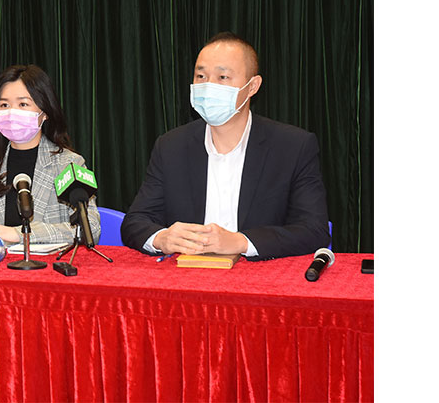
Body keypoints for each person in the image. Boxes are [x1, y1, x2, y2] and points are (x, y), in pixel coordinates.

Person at [121, 32, 330, 260]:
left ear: (252, 86)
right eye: (201, 76)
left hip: (261, 277)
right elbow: (135, 222)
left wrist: (241, 242)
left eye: (222, 77)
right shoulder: (171, 146)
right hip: (187, 275)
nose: (208, 86)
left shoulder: (293, 147)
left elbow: (313, 230)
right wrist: (162, 238)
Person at [0, 64, 101, 245]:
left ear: (45, 112)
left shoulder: (69, 164)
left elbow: (90, 227)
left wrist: (22, 234)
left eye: (23, 104)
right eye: (4, 105)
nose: (11, 112)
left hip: (46, 263)